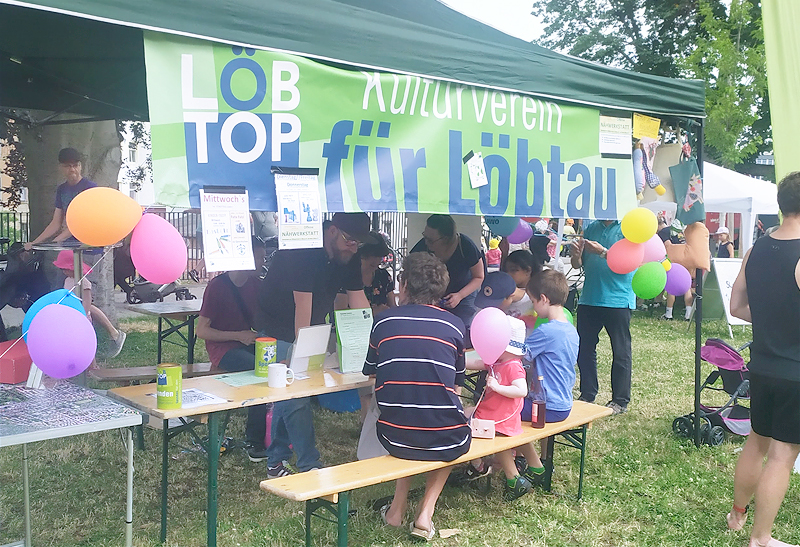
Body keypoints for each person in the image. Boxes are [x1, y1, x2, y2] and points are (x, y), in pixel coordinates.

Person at [364, 252, 470, 540]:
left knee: (407, 416)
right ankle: (425, 513)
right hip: (447, 436)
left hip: (394, 432)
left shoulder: (384, 321)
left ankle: (396, 510)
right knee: (446, 426)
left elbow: (371, 372)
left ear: (406, 284)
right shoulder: (454, 326)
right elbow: (457, 385)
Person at [259, 212, 371, 478]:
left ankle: (276, 460)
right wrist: (300, 353)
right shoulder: (304, 250)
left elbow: (358, 300)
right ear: (332, 231)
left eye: (359, 243)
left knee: (290, 391)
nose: (354, 248)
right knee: (297, 391)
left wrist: (374, 338)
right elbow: (302, 307)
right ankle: (309, 465)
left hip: (313, 324)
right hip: (278, 325)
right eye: (350, 241)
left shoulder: (348, 255)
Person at [727, 172, 800, 547]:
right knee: (782, 457)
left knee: (756, 443)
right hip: (794, 372)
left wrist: (772, 320)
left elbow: (737, 306)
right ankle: (761, 538)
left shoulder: (756, 249)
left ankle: (737, 515)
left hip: (762, 366)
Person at [197, 236, 268, 461]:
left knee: (274, 366)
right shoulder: (217, 286)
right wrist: (238, 336)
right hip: (222, 349)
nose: (263, 262)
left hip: (249, 343)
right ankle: (254, 441)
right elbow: (202, 331)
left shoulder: (257, 285)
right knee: (260, 372)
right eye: (260, 257)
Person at [467, 316, 543, 501]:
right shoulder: (498, 361)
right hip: (494, 413)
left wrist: (497, 387)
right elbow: (476, 363)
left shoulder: (513, 366)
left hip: (502, 417)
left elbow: (521, 390)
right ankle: (533, 470)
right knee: (470, 415)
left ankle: (491, 471)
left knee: (470, 426)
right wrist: (456, 359)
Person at [570, 219, 635, 415]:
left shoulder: (628, 228)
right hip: (590, 297)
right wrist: (576, 256)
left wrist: (603, 252)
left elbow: (630, 264)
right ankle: (587, 393)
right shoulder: (591, 227)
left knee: (620, 350)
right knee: (585, 349)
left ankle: (620, 400)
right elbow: (577, 265)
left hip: (618, 299)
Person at [410, 214, 485, 335]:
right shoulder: (422, 246)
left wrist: (460, 295)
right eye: (425, 236)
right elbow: (409, 271)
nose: (426, 242)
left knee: (461, 330)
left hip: (463, 295)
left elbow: (479, 276)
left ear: (445, 239)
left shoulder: (465, 246)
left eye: (430, 240)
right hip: (432, 297)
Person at [54, 250, 126, 358]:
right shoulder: (67, 281)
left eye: (66, 269)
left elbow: (87, 301)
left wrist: (83, 313)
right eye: (62, 269)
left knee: (86, 340)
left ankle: (92, 361)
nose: (64, 272)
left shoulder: (84, 282)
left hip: (82, 315)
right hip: (71, 314)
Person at [26, 148, 97, 250]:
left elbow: (81, 223)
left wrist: (56, 241)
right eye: (67, 166)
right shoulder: (62, 189)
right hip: (69, 245)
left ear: (80, 166)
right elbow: (56, 223)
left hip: (90, 246)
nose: (72, 169)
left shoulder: (90, 188)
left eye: (75, 165)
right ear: (60, 167)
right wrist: (34, 243)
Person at [358, 231, 396, 316]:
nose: (378, 261)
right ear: (362, 254)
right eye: (374, 256)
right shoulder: (348, 277)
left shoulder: (383, 276)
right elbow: (341, 313)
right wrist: (372, 312)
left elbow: (393, 306)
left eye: (380, 257)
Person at [503, 250, 540, 334]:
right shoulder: (506, 291)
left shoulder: (538, 293)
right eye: (506, 271)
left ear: (528, 271)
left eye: (513, 270)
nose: (508, 274)